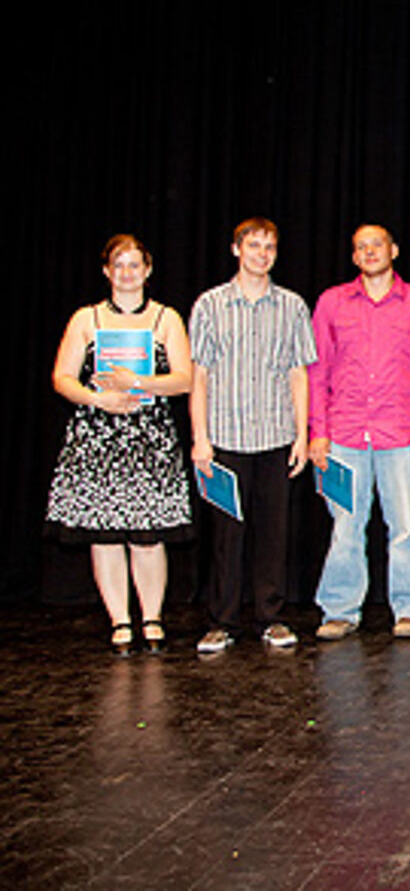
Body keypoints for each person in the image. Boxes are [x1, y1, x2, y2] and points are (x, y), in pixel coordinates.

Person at [45, 234, 194, 655]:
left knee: (148, 537)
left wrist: (138, 383)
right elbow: (61, 377)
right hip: (97, 437)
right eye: (119, 264)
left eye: (135, 265)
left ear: (148, 270)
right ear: (107, 271)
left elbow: (184, 379)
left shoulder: (166, 319)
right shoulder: (86, 319)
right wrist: (99, 398)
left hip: (150, 439)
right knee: (105, 537)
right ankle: (120, 621)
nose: (127, 273)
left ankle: (152, 618)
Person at [188, 218, 317, 653]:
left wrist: (302, 434)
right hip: (225, 438)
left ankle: (271, 617)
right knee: (227, 535)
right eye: (254, 246)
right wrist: (200, 438)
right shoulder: (210, 305)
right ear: (236, 249)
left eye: (270, 247)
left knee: (273, 533)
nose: (262, 254)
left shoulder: (293, 306)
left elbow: (299, 374)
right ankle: (221, 621)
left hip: (276, 436)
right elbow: (199, 377)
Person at [309, 225, 410, 640]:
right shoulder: (332, 303)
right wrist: (318, 431)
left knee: (405, 526)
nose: (370, 252)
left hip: (401, 434)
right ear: (354, 257)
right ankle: (340, 610)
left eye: (377, 245)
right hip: (345, 433)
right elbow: (317, 372)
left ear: (394, 250)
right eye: (361, 247)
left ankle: (408, 608)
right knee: (346, 527)